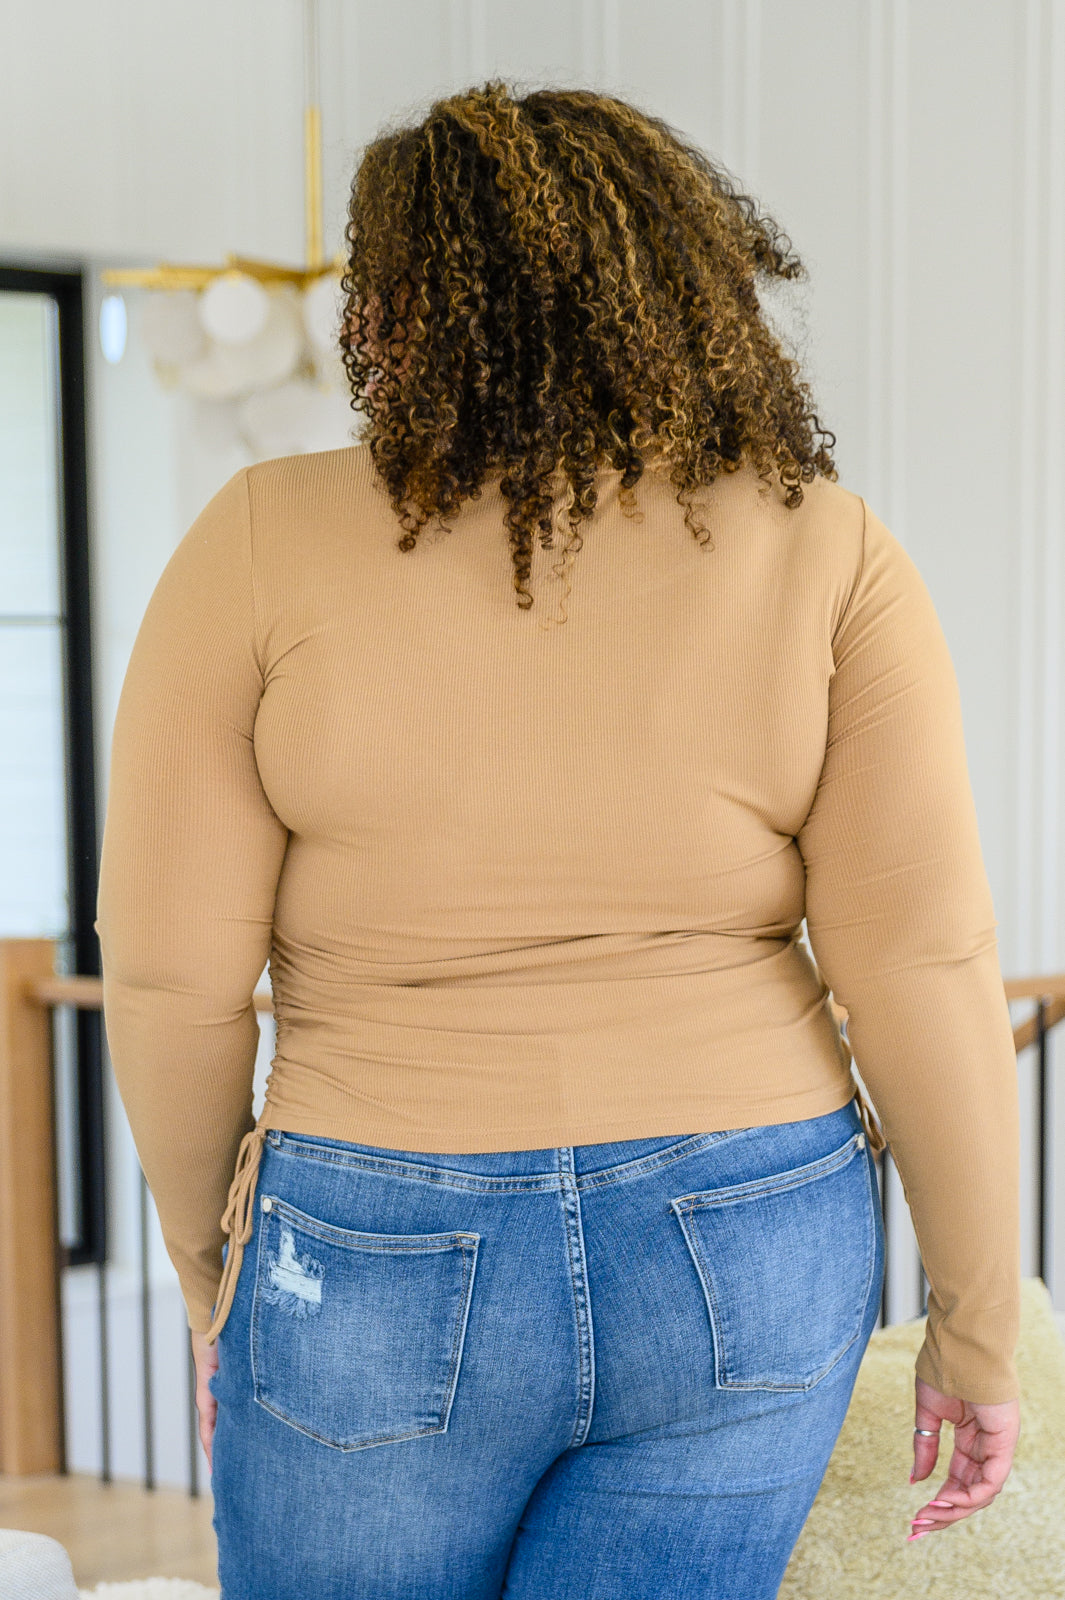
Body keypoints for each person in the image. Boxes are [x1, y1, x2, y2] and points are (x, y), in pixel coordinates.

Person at [95, 80, 1021, 1600]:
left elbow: (171, 981)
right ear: (679, 286)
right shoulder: (824, 545)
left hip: (374, 1227)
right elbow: (922, 962)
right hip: (748, 1227)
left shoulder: (256, 538)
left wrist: (222, 1275)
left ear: (401, 307)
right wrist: (976, 1327)